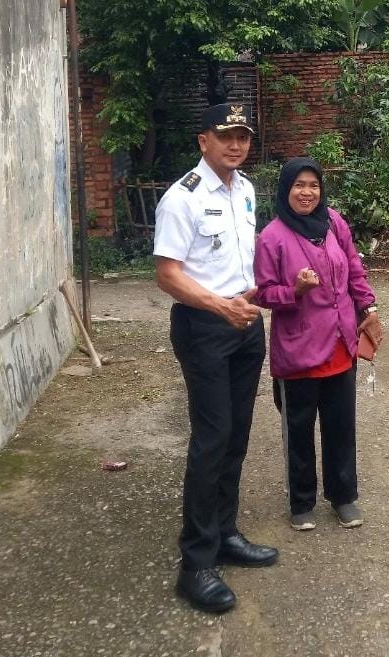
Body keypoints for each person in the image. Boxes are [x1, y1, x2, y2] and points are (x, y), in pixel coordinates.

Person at [154, 103, 278, 613]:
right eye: (225, 135)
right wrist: (217, 305)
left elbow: (240, 255)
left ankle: (226, 533)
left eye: (243, 136)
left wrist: (250, 295)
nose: (236, 144)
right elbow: (167, 273)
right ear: (203, 140)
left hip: (245, 324)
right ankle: (196, 563)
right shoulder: (181, 198)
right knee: (212, 439)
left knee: (238, 436)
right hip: (205, 327)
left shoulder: (245, 190)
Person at [254, 157, 382, 531]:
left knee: (341, 425)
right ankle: (302, 501)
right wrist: (294, 290)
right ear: (285, 190)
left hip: (341, 343)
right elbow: (263, 294)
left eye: (313, 185)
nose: (307, 192)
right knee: (298, 427)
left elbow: (354, 269)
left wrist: (368, 308)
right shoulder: (272, 237)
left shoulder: (334, 223)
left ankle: (344, 497)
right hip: (299, 348)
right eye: (298, 185)